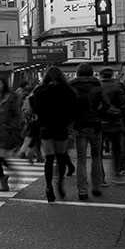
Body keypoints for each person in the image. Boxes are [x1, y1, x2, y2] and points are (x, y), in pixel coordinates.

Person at [30, 66, 78, 202]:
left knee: (49, 159)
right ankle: (60, 182)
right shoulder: (68, 91)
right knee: (61, 156)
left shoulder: (40, 91)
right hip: (61, 127)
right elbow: (74, 109)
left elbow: (35, 109)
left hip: (45, 127)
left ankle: (48, 186)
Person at [69, 63, 106, 200]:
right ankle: (96, 186)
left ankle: (82, 190)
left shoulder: (72, 88)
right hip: (95, 125)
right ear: (91, 73)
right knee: (96, 157)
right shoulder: (97, 86)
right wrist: (97, 114)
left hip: (79, 125)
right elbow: (106, 104)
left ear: (77, 73)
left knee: (81, 159)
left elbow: (69, 107)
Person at [99, 67, 125, 177]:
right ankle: (117, 171)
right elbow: (124, 107)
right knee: (117, 149)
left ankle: (101, 176)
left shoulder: (97, 87)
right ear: (112, 75)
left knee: (98, 152)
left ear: (100, 75)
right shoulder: (117, 87)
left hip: (99, 123)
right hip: (115, 122)